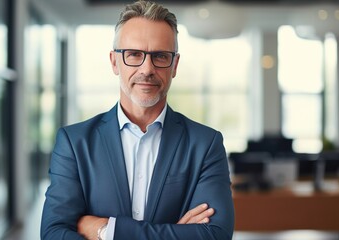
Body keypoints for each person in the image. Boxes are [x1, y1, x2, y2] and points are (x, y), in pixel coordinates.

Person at [40, 1, 235, 239]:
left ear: (174, 65)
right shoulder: (74, 142)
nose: (147, 69)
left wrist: (107, 230)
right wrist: (177, 232)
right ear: (114, 62)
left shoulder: (205, 144)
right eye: (134, 54)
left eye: (160, 56)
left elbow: (215, 235)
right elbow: (53, 233)